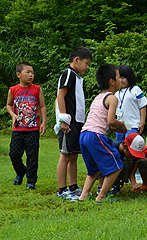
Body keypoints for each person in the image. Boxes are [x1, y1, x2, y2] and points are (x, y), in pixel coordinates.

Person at [76, 63, 127, 203]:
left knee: (94, 169)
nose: (120, 80)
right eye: (118, 77)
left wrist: (116, 128)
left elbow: (103, 122)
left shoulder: (98, 97)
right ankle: (102, 195)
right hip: (96, 136)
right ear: (112, 81)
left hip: (84, 135)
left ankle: (84, 195)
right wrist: (121, 124)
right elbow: (111, 120)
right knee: (117, 165)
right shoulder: (112, 97)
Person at [55, 46, 92, 197]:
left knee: (74, 155)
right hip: (68, 122)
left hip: (77, 121)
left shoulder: (77, 76)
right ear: (77, 60)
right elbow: (60, 96)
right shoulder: (68, 73)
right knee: (65, 155)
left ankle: (73, 186)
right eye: (86, 63)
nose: (87, 67)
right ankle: (62, 189)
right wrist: (64, 119)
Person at [6, 62, 47, 190]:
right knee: (14, 154)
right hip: (18, 129)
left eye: (32, 72)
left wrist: (44, 122)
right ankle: (21, 172)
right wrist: (13, 115)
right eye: (27, 72)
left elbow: (42, 106)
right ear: (18, 74)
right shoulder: (13, 90)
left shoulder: (37, 89)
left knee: (32, 156)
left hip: (33, 129)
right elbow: (9, 105)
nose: (31, 75)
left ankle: (31, 181)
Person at [114, 65, 147, 142]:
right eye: (119, 78)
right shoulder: (116, 93)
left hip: (133, 126)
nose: (121, 80)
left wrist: (142, 123)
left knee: (131, 146)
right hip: (120, 127)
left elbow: (143, 106)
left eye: (123, 78)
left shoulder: (136, 90)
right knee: (119, 147)